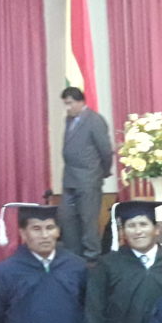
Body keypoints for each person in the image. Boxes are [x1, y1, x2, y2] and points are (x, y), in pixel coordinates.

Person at [58, 87, 113, 263]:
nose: (68, 107)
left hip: (89, 178)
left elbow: (105, 151)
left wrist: (103, 172)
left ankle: (92, 258)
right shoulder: (69, 119)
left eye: (70, 103)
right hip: (70, 178)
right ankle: (73, 256)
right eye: (65, 104)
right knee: (67, 218)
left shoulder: (95, 120)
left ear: (81, 101)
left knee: (88, 220)